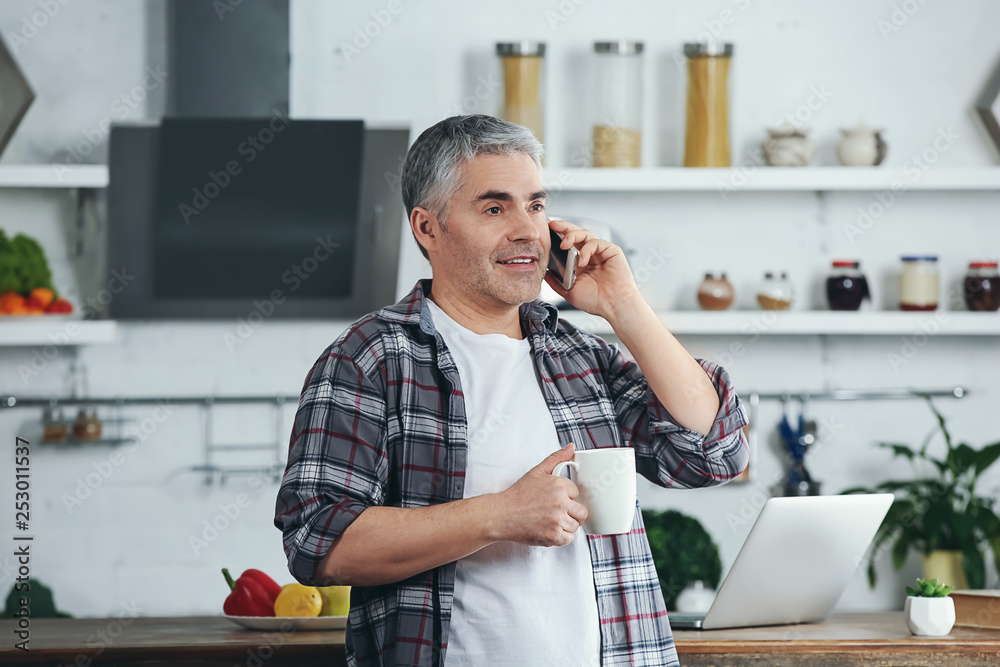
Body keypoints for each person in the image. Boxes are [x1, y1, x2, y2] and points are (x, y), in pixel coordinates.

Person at [275, 114, 749, 667]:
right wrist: (499, 516)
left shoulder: (576, 353)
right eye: (495, 208)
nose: (528, 230)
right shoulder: (369, 358)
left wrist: (623, 306)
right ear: (428, 228)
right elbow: (319, 543)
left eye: (537, 205)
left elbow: (712, 452)